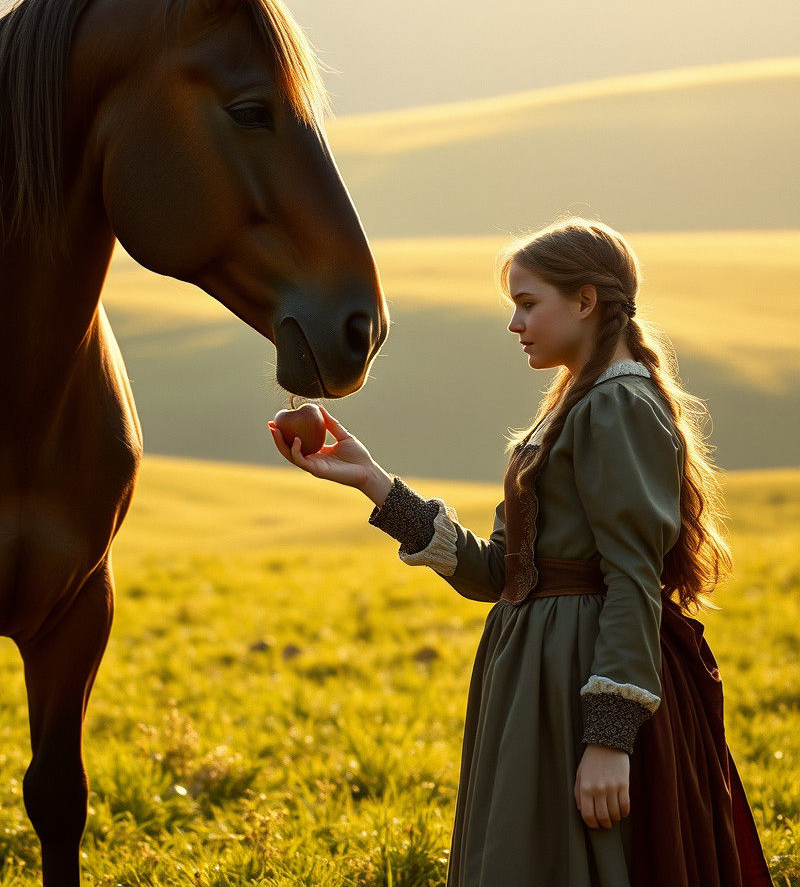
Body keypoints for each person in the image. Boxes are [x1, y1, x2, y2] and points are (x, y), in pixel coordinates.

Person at [268, 218, 771, 887]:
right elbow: (499, 573)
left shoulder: (618, 405)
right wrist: (373, 481)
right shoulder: (572, 406)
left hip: (581, 678)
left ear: (586, 301)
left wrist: (608, 741)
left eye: (528, 303)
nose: (514, 323)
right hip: (533, 678)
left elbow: (633, 580)